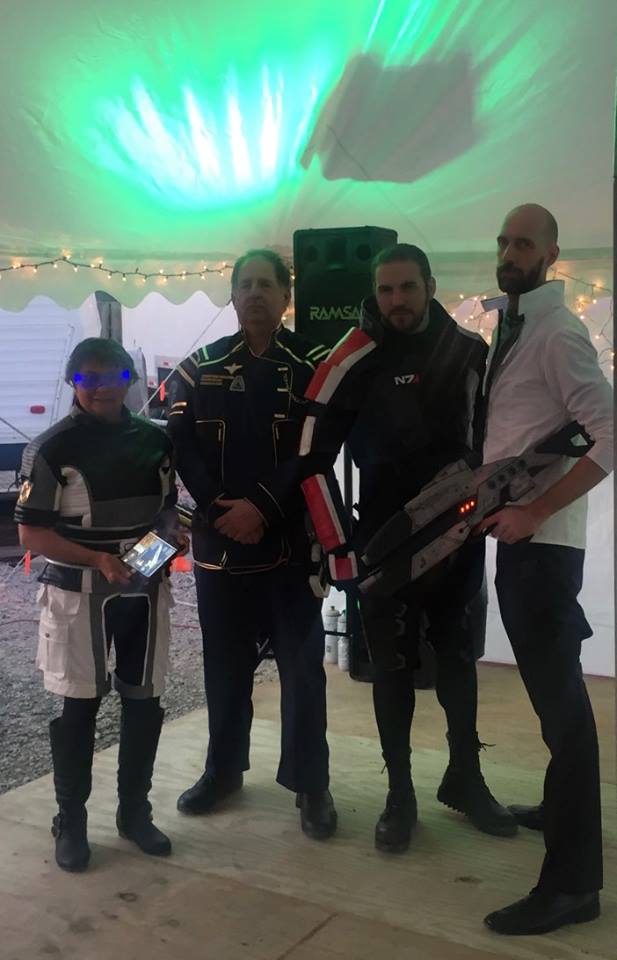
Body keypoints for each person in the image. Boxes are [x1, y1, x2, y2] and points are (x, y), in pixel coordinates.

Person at [297, 243, 516, 852]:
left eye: (408, 287)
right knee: (390, 671)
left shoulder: (470, 352)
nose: (396, 300)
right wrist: (339, 546)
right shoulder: (352, 358)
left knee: (459, 663)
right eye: (386, 289)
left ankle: (466, 778)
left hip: (458, 538)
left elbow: (492, 446)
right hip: (383, 545)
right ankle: (400, 794)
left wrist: (487, 511)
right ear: (375, 291)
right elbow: (311, 459)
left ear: (430, 286)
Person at [167, 249, 337, 839]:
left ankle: (311, 783)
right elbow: (180, 443)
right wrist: (222, 508)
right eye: (246, 284)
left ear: (287, 296)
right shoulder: (199, 367)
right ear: (233, 295)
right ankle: (222, 771)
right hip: (220, 545)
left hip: (291, 544)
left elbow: (317, 451)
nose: (256, 293)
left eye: (267, 284)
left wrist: (261, 508)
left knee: (302, 669)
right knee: (223, 668)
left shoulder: (315, 365)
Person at [477, 204, 612, 936]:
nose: (509, 252)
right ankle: (561, 812)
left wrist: (534, 512)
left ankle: (572, 886)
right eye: (503, 241)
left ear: (551, 254)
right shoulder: (517, 326)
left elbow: (611, 432)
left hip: (544, 546)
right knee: (551, 701)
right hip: (521, 537)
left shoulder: (557, 331)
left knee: (563, 711)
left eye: (523, 243)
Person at [15, 337, 184, 872]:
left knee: (145, 700)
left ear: (128, 380)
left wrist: (157, 553)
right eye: (90, 378)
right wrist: (98, 559)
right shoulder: (51, 448)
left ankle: (134, 813)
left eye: (114, 376)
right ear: (73, 382)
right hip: (77, 593)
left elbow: (168, 515)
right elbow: (31, 535)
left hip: (144, 588)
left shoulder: (155, 440)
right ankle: (71, 821)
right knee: (79, 705)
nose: (103, 387)